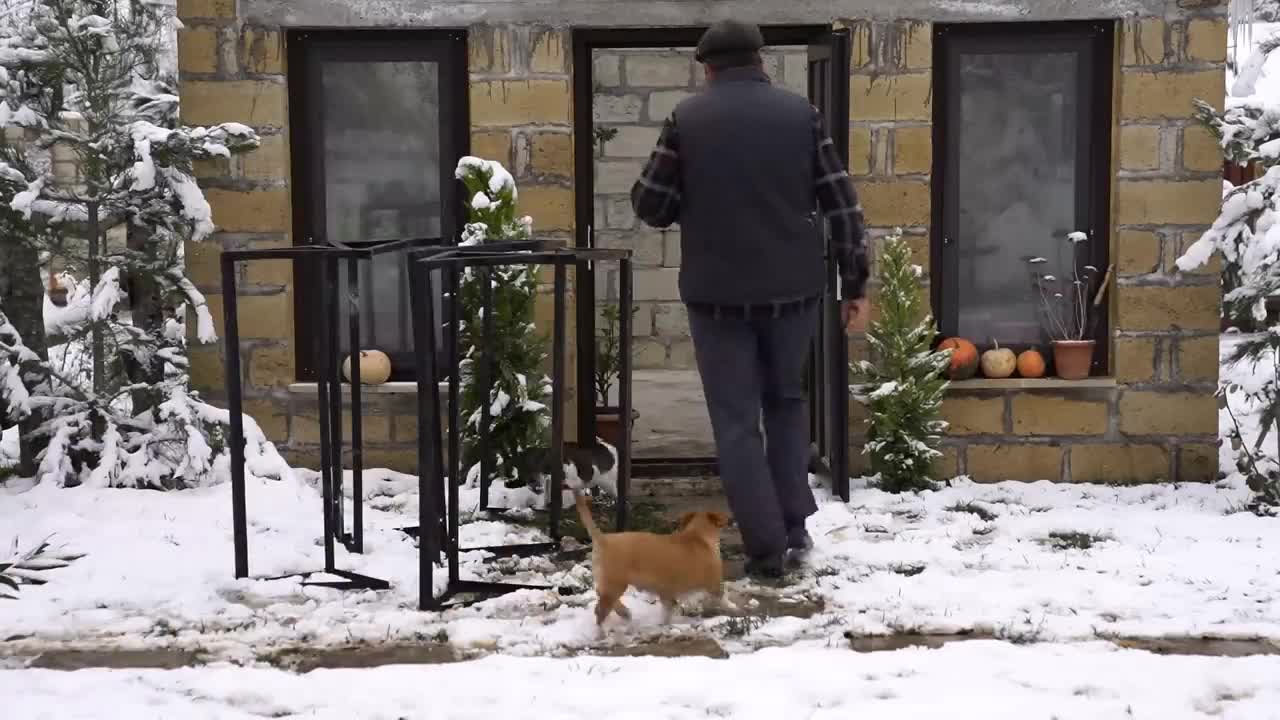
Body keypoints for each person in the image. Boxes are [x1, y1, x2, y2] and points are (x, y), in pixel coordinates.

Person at [630, 19, 869, 579]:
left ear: (707, 67)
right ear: (761, 61)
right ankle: (793, 530)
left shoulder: (687, 121)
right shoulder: (801, 116)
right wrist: (854, 284)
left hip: (717, 298)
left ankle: (765, 551)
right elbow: (843, 205)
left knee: (736, 422)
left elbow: (652, 205)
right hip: (795, 293)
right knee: (786, 405)